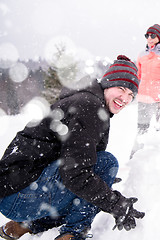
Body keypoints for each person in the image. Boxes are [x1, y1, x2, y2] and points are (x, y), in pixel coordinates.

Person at [0, 55, 145, 240]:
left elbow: (76, 161)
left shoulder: (88, 101)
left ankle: (24, 225)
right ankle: (73, 234)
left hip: (12, 193)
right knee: (106, 163)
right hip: (19, 196)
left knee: (92, 181)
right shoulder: (90, 107)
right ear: (108, 84)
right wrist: (115, 203)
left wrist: (99, 182)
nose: (125, 98)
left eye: (131, 95)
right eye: (121, 89)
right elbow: (75, 174)